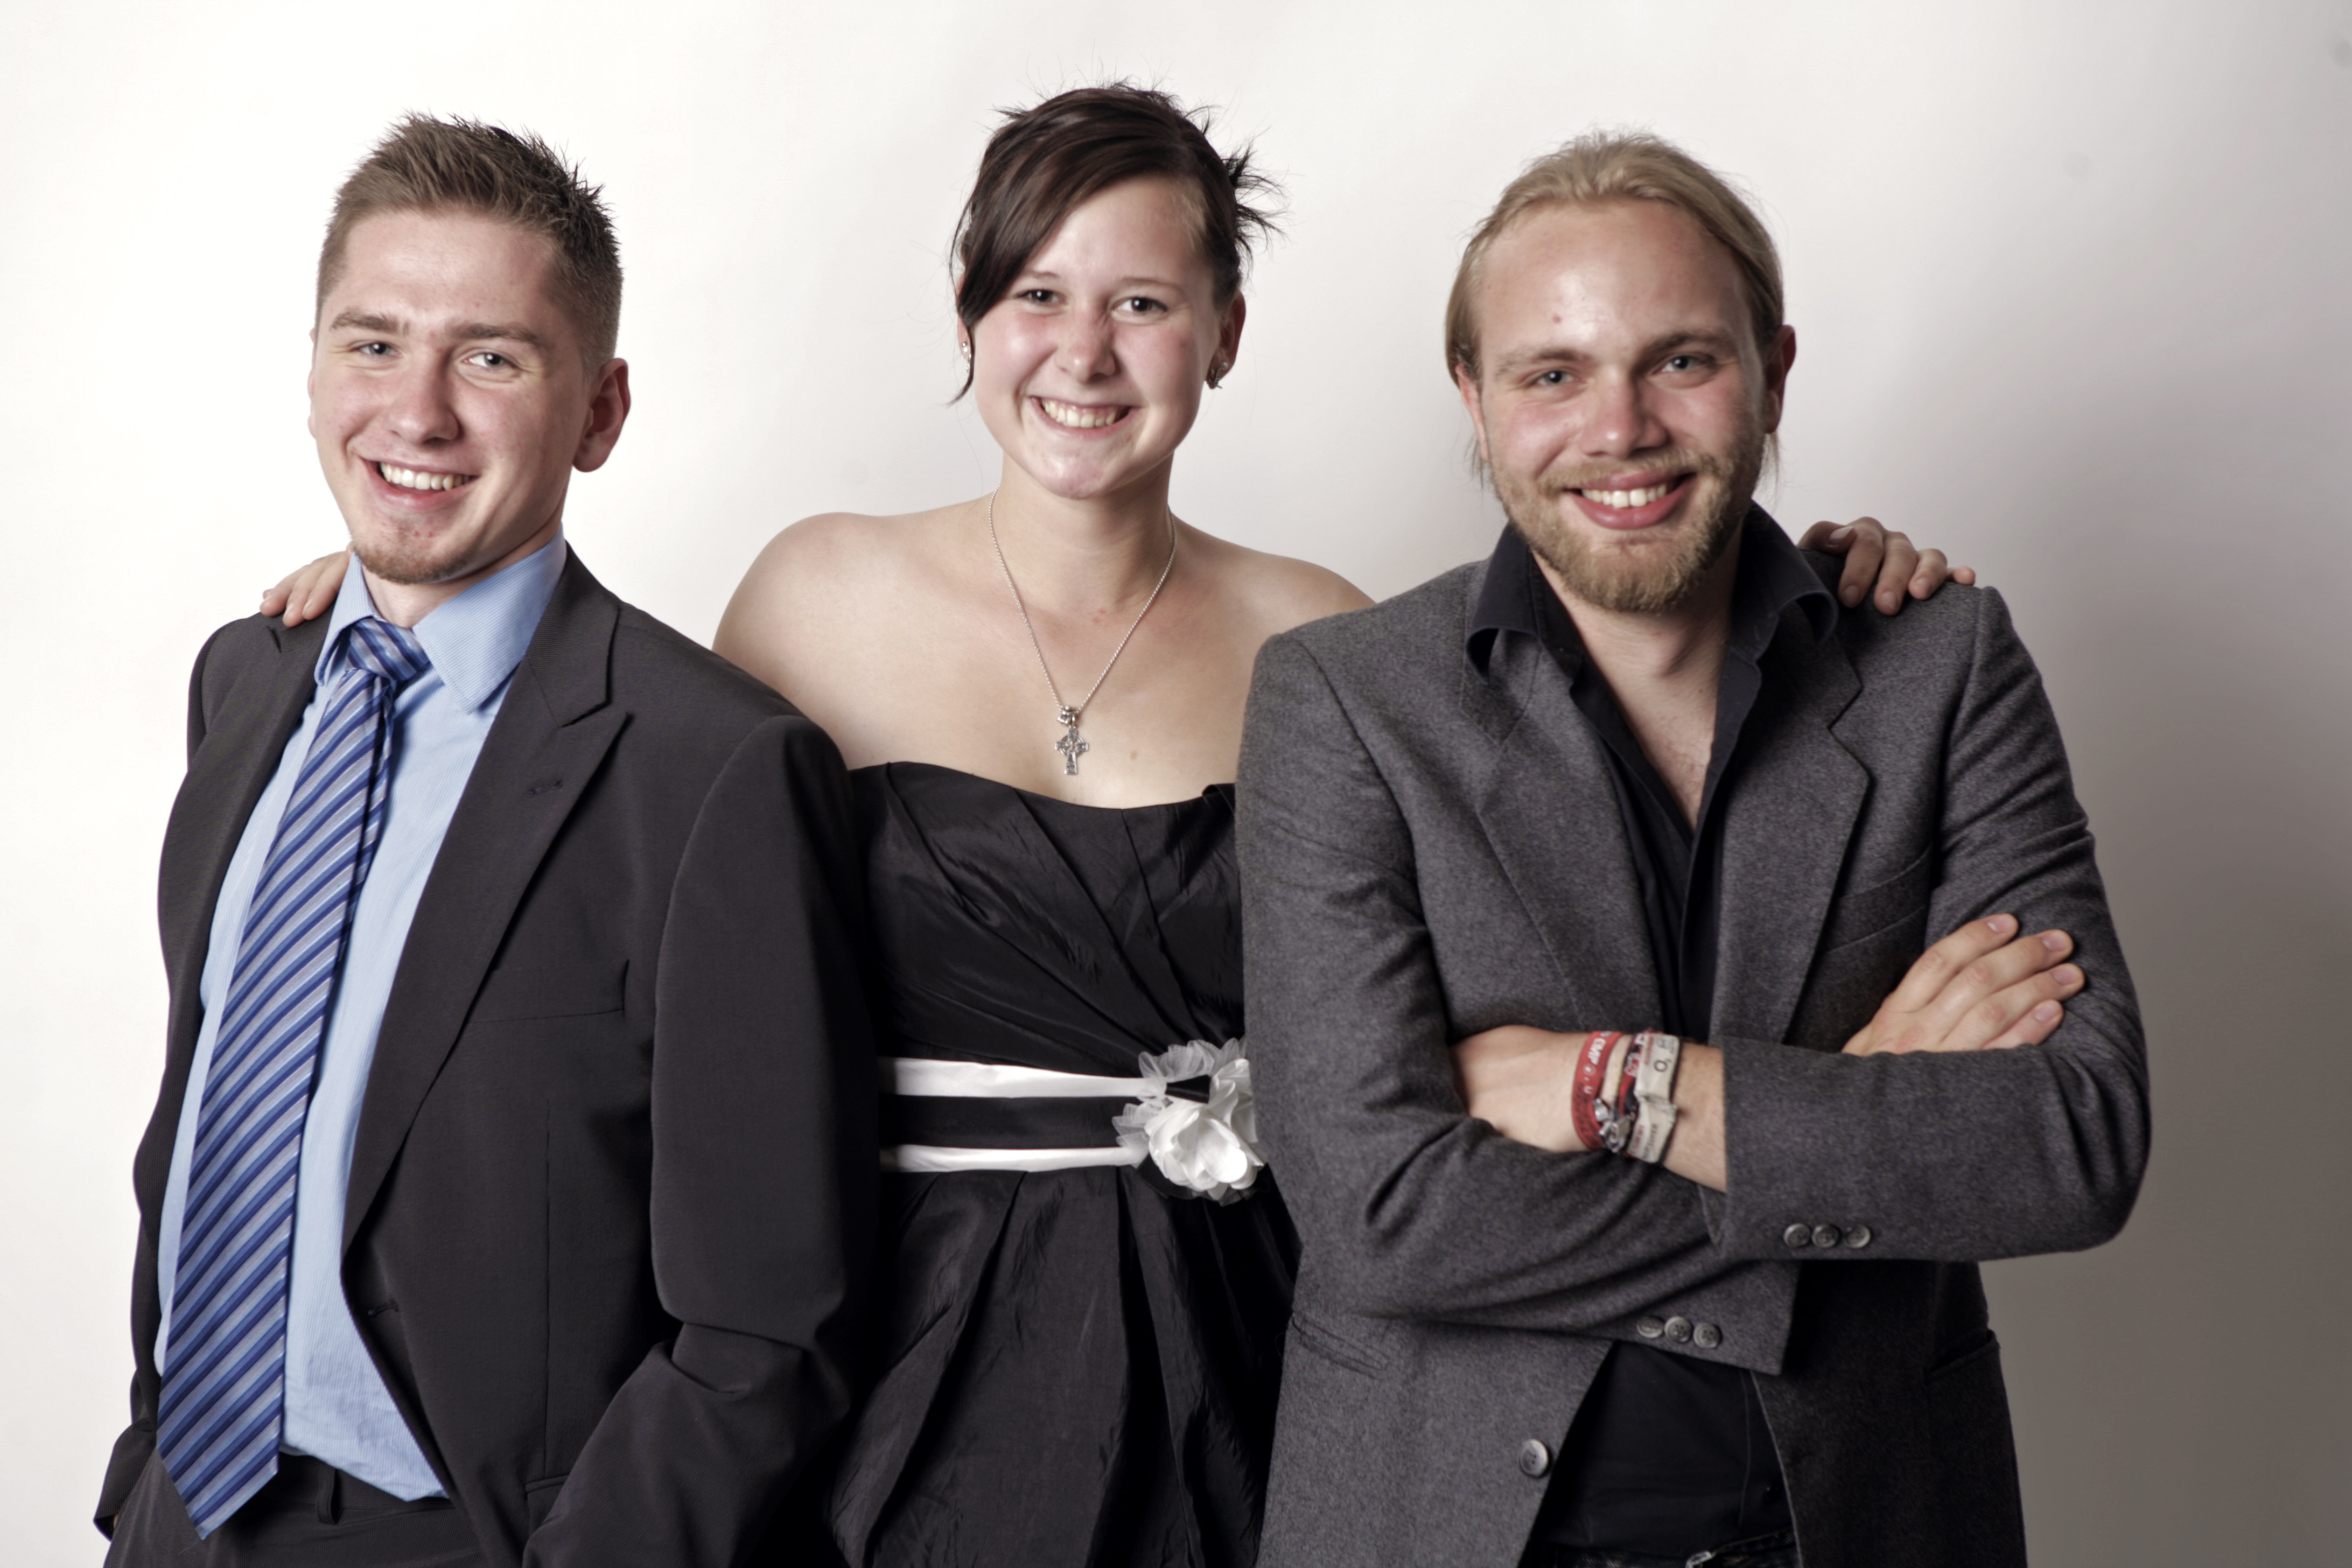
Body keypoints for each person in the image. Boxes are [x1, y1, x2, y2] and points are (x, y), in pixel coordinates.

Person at [257, 90, 1963, 1568]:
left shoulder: (1330, 639)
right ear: (972, 315)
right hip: (892, 1342)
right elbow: (613, 834)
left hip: (1260, 1328)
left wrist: (1815, 597)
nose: (1082, 355)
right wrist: (415, 593)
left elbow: (1567, 908)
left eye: (1142, 302)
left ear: (1224, 331)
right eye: (1037, 296)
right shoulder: (811, 595)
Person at [1237, 130, 2150, 1568]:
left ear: (1773, 371)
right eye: (1552, 374)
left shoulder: (1943, 665)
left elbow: (2070, 1144)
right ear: (1474, 399)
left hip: (1869, 1512)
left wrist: (1624, 1088)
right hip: (1443, 1520)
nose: (1620, 428)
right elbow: (1382, 1217)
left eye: (1680, 360)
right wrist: (1848, 1116)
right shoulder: (1343, 700)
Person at [97, 117, 875, 1568]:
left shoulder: (712, 769)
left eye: (493, 358)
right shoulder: (245, 682)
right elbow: (213, 1106)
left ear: (600, 411)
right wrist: (143, 1476)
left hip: (470, 1534)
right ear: (314, 368)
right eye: (374, 344)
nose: (419, 413)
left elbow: (770, 1321)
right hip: (183, 1517)